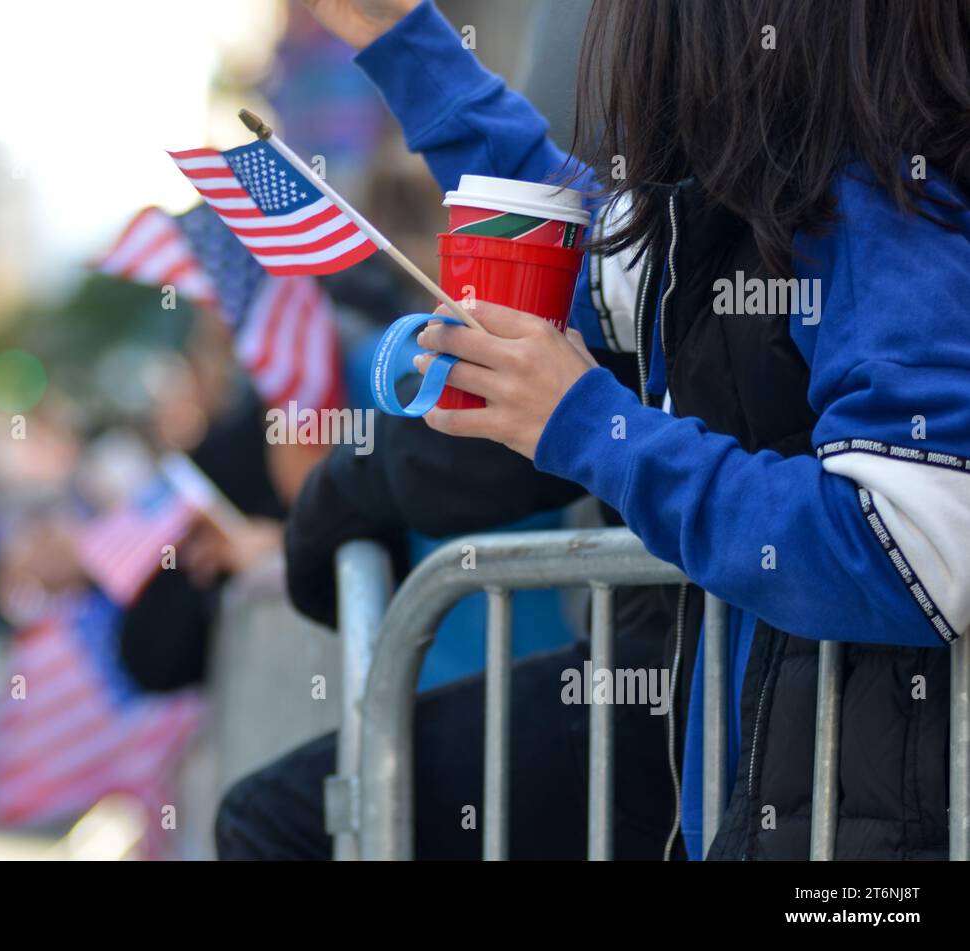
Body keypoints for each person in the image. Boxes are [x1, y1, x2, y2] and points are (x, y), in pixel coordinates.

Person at [263, 0, 970, 861]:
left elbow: (910, 544)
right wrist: (405, 41)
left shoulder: (894, 203)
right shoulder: (780, 203)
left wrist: (592, 428)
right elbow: (572, 246)